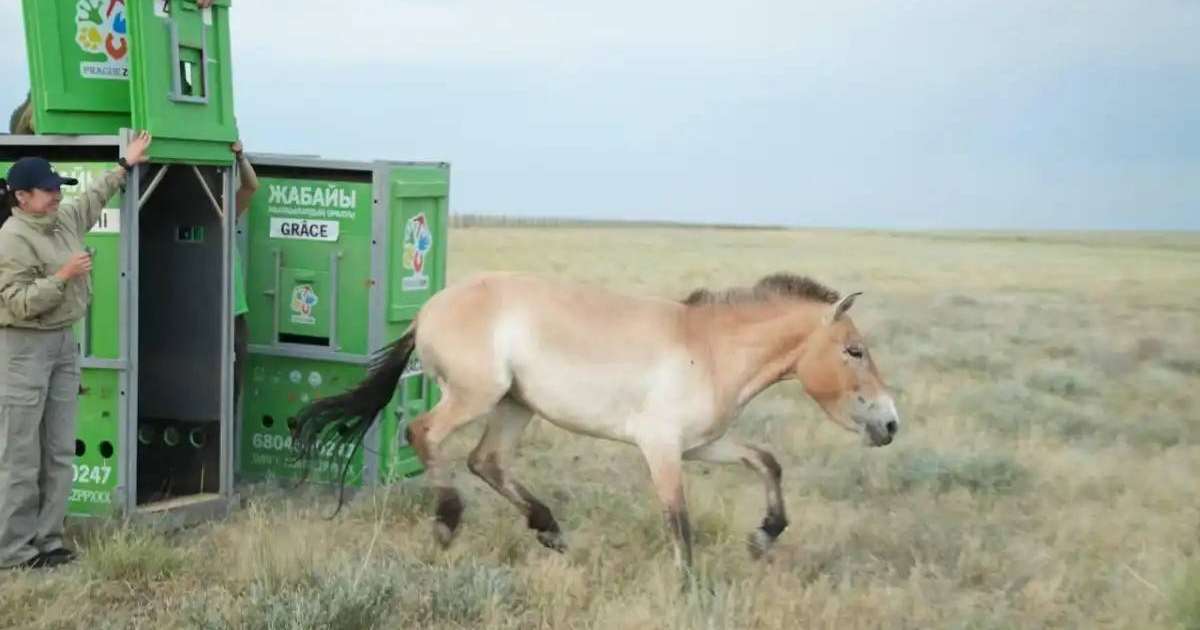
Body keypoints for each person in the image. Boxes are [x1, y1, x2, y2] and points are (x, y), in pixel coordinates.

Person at [0, 131, 152, 570]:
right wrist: (64, 275)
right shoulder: (11, 238)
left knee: (59, 450)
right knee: (19, 455)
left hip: (63, 343)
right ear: (22, 196)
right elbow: (19, 303)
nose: (55, 195)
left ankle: (48, 542)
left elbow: (93, 197)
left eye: (56, 188)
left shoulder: (62, 219)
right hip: (23, 349)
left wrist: (126, 165)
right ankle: (13, 552)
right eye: (47, 190)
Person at [231, 141, 259, 409]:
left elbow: (251, 187)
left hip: (235, 316)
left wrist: (241, 158)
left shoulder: (224, 214)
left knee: (233, 392)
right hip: (209, 319)